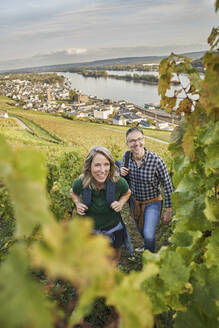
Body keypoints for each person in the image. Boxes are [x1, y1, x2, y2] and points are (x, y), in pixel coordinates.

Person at [70, 145, 132, 264]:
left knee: (113, 259)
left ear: (111, 165)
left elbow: (127, 193)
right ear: (89, 167)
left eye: (106, 164)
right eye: (97, 165)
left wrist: (121, 203)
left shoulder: (118, 182)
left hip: (113, 229)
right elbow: (73, 192)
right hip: (90, 231)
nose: (102, 170)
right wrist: (77, 203)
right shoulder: (81, 182)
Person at [119, 127, 173, 253]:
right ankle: (148, 246)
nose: (136, 143)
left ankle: (151, 258)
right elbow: (123, 179)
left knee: (148, 234)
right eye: (132, 141)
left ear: (144, 140)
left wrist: (168, 210)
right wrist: (120, 172)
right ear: (127, 144)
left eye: (139, 139)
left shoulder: (156, 161)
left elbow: (167, 184)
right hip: (135, 202)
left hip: (153, 202)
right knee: (141, 230)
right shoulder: (126, 157)